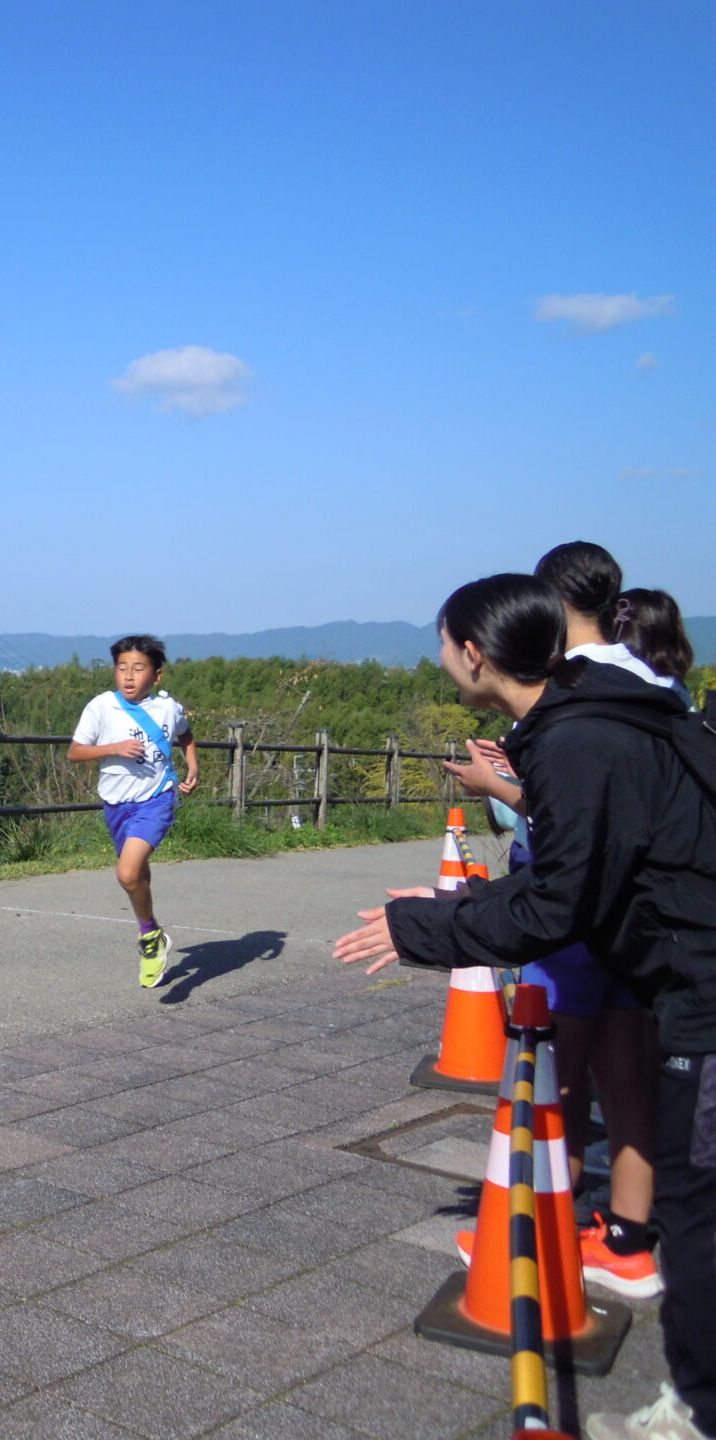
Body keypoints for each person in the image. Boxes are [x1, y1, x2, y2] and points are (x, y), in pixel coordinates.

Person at [335, 573, 714, 1440]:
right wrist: (448, 910)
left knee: (698, 1216)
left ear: (474, 654)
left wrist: (422, 930)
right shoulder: (598, 708)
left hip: (702, 987)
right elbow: (577, 866)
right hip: (683, 973)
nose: (439, 658)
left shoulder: (578, 739)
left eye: (441, 643)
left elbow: (557, 907)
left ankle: (698, 1412)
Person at [444, 545, 670, 1300]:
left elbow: (577, 824)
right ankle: (630, 1242)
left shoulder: (570, 696)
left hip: (572, 914)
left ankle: (546, 1235)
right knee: (627, 1075)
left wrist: (501, 788)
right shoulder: (643, 679)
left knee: (552, 1078)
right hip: (638, 919)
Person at [67, 635, 199, 987]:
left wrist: (193, 767)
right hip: (116, 805)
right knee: (137, 873)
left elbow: (186, 736)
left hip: (156, 800)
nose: (128, 676)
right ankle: (155, 932)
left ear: (156, 676)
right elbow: (75, 752)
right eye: (122, 668)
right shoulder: (101, 707)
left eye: (138, 669)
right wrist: (114, 748)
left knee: (127, 874)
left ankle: (147, 936)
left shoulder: (168, 709)